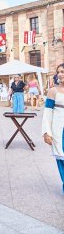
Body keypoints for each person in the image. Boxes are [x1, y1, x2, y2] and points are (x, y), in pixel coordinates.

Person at [42, 63, 64, 193]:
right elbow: (47, 113)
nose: (60, 74)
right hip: (58, 129)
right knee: (61, 156)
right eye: (58, 72)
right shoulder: (53, 91)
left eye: (63, 71)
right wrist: (46, 132)